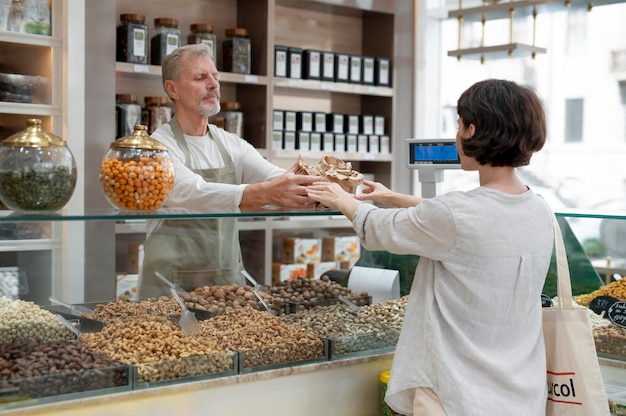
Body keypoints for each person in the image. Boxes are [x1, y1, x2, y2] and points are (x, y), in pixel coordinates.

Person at [306, 79, 553, 416]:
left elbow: (379, 229)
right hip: (521, 392)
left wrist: (340, 198)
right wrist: (392, 197)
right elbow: (466, 222)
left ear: (473, 129)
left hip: (456, 393)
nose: (456, 135)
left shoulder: (455, 215)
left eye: (459, 124)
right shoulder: (538, 208)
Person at [137, 43, 320, 300]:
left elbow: (271, 177)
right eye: (200, 78)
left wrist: (303, 183)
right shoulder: (157, 146)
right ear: (172, 89)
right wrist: (267, 193)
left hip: (224, 287)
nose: (213, 84)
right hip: (169, 290)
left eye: (215, 76)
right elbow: (192, 192)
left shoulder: (230, 143)